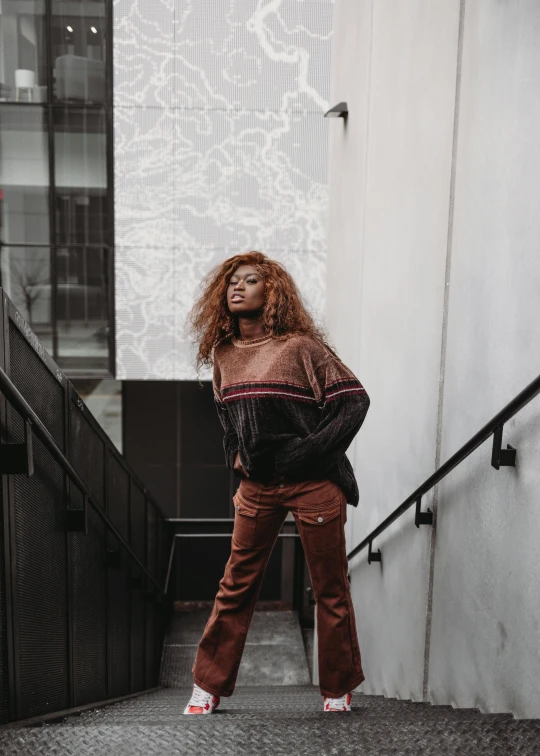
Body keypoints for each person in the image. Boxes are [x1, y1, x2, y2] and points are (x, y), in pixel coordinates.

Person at [184, 251, 370, 714]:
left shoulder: (300, 348)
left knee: (329, 586)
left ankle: (337, 689)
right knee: (236, 584)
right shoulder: (224, 355)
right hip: (259, 487)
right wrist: (237, 458)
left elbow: (354, 402)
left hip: (314, 486)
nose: (237, 287)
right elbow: (228, 421)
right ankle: (207, 686)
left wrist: (306, 455)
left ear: (272, 292)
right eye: (231, 281)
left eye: (250, 280)